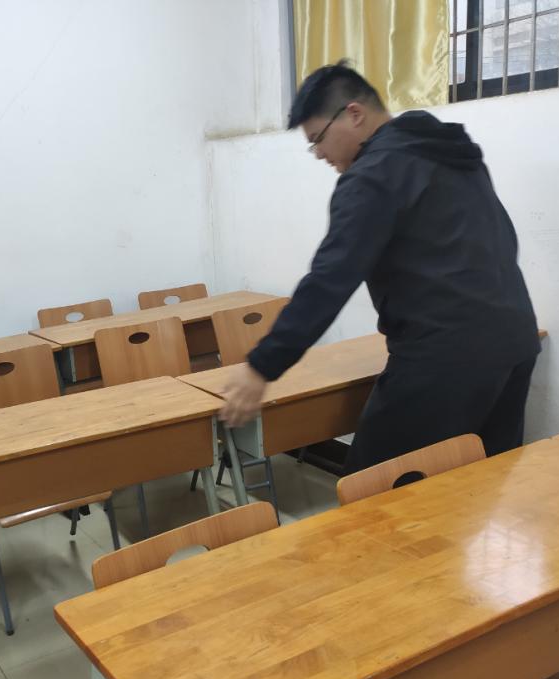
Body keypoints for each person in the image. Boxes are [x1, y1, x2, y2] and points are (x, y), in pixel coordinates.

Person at [220, 61, 539, 473]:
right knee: (478, 488)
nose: (319, 154)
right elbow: (504, 238)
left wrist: (261, 366)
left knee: (375, 492)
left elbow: (330, 279)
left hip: (445, 356)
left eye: (318, 139)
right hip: (515, 340)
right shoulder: (449, 151)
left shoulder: (372, 175)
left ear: (353, 114)